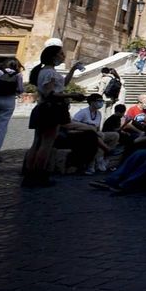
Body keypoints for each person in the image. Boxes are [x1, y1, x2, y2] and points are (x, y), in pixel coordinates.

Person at [23, 46, 86, 186]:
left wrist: (73, 70)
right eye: (61, 54)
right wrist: (72, 95)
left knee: (37, 143)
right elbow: (50, 93)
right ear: (53, 56)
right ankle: (39, 176)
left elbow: (62, 84)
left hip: (43, 109)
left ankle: (29, 174)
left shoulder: (45, 71)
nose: (63, 56)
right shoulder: (49, 73)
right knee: (46, 144)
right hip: (51, 110)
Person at [71, 93, 119, 173]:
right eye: (99, 101)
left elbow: (97, 128)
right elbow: (73, 125)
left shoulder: (99, 114)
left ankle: (105, 159)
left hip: (96, 134)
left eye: (102, 101)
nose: (101, 103)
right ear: (92, 102)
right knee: (99, 135)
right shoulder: (83, 112)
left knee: (114, 135)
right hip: (82, 135)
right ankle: (95, 162)